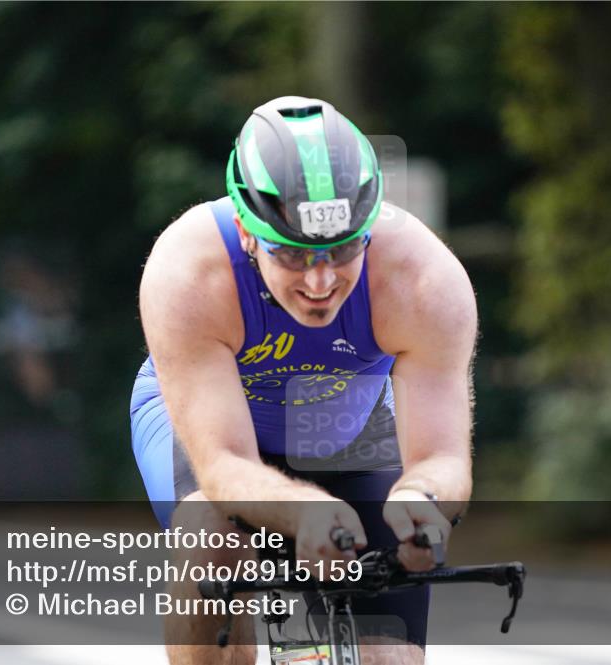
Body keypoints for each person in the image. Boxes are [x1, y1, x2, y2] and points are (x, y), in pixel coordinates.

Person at [131, 96, 476, 665]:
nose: (320, 280)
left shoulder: (423, 281)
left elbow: (441, 456)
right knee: (211, 536)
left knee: (389, 658)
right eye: (293, 253)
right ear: (246, 230)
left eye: (342, 249)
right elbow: (222, 465)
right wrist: (300, 510)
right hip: (212, 428)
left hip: (348, 427)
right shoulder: (188, 272)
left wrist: (421, 500)